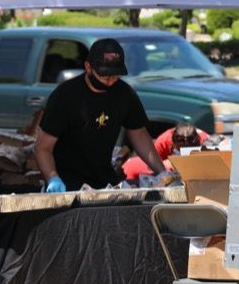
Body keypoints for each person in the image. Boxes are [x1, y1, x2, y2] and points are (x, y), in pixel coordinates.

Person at [35, 38, 170, 191]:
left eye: (115, 75)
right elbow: (43, 147)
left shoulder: (124, 94)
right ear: (88, 67)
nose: (110, 81)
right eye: (104, 75)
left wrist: (162, 172)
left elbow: (138, 133)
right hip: (68, 181)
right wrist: (53, 178)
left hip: (104, 179)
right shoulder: (65, 96)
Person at [122, 122, 209, 182]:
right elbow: (156, 171)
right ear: (172, 144)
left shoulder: (206, 143)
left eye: (187, 154)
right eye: (179, 152)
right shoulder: (162, 142)